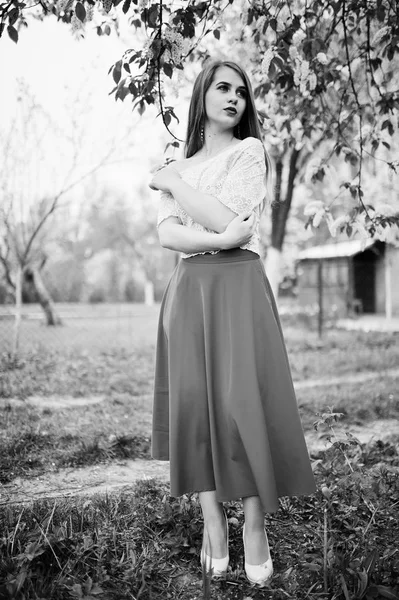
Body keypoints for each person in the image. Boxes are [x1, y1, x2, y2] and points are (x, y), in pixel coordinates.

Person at [149, 58, 316, 588]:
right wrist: (217, 235)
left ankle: (255, 529)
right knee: (194, 406)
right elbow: (168, 237)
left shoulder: (250, 152)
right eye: (222, 89)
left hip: (239, 287)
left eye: (241, 94)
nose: (233, 99)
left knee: (240, 404)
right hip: (190, 290)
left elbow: (232, 224)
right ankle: (214, 523)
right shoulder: (181, 159)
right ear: (202, 94)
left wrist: (181, 189)